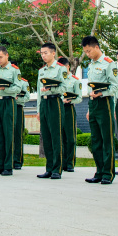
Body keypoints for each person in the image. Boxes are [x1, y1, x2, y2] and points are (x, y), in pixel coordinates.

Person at [81, 36, 118, 185]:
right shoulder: (91, 65)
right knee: (95, 140)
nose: (88, 54)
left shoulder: (109, 63)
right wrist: (90, 108)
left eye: (89, 51)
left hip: (105, 103)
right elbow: (91, 87)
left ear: (96, 47)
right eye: (86, 52)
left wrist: (102, 93)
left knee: (106, 139)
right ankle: (99, 170)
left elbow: (114, 86)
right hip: (93, 104)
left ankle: (108, 173)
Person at [0, 47, 23, 176]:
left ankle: (8, 166)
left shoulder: (14, 70)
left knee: (8, 134)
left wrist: (5, 88)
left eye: (0, 57)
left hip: (9, 102)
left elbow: (18, 88)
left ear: (7, 56)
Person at [37, 43, 68, 179]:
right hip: (44, 103)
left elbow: (65, 87)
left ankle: (57, 168)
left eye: (46, 53)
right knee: (47, 137)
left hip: (55, 101)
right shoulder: (41, 71)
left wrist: (51, 89)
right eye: (42, 53)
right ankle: (49, 168)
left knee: (56, 136)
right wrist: (39, 109)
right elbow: (39, 92)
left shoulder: (61, 69)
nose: (43, 55)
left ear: (53, 53)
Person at [58, 56, 82, 173]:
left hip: (69, 108)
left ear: (68, 66)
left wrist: (70, 100)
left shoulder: (75, 80)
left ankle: (70, 163)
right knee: (60, 137)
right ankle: (61, 163)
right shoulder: (57, 79)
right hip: (58, 108)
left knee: (70, 137)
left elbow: (79, 98)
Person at [13, 76, 31, 170]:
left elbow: (27, 97)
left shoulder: (23, 82)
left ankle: (17, 161)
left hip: (18, 107)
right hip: (7, 107)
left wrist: (16, 99)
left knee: (18, 135)